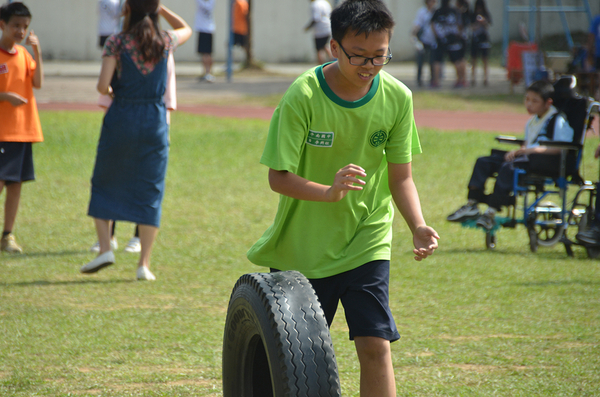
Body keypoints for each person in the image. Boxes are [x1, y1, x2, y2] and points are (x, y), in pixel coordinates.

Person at [247, 1, 439, 395]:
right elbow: (278, 177)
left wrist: (417, 225)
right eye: (358, 56)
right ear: (334, 47)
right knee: (292, 354)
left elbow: (401, 177)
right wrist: (328, 192)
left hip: (366, 239)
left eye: (379, 57)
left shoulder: (398, 98)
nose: (369, 66)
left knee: (375, 345)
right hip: (304, 248)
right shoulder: (303, 95)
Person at [80, 0, 192, 280]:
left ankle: (105, 247)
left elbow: (102, 85)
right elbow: (185, 28)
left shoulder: (116, 42)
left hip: (122, 116)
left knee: (105, 179)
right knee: (150, 188)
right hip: (154, 119)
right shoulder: (165, 41)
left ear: (127, 9)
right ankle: (144, 264)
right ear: (154, 10)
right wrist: (159, 8)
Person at [447, 80, 575, 231]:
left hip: (547, 162)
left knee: (509, 168)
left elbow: (561, 148)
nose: (529, 104)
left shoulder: (557, 120)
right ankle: (472, 203)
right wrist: (519, 151)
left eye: (534, 101)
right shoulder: (532, 121)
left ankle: (490, 212)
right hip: (529, 158)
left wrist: (529, 150)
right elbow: (528, 143)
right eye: (527, 99)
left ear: (548, 103)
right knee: (484, 161)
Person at [91, 47, 179, 255]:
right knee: (131, 180)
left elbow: (103, 86)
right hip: (136, 119)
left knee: (126, 180)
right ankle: (114, 239)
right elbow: (185, 30)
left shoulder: (160, 45)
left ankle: (131, 238)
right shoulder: (123, 43)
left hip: (143, 119)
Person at [0, 2, 43, 254]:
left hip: (22, 131)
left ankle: (7, 235)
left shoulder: (25, 55)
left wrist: (37, 50)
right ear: (2, 24)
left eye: (25, 27)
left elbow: (37, 82)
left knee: (16, 185)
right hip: (3, 132)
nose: (21, 31)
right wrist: (5, 96)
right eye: (16, 25)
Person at [430, 0, 467, 88]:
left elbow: (432, 24)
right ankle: (460, 80)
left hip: (441, 39)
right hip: (453, 39)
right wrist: (458, 35)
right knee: (457, 59)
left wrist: (437, 36)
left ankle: (436, 81)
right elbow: (460, 25)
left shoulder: (437, 11)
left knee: (437, 60)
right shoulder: (454, 11)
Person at [411, 0, 437, 87]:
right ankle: (419, 80)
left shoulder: (436, 12)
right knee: (420, 60)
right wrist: (414, 34)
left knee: (433, 61)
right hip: (423, 40)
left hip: (434, 40)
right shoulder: (422, 12)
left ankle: (433, 79)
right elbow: (417, 23)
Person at [470, 0, 492, 86]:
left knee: (485, 59)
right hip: (475, 39)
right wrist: (476, 25)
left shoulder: (486, 14)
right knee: (473, 59)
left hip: (484, 39)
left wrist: (484, 22)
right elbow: (471, 27)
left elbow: (488, 25)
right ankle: (473, 77)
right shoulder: (473, 15)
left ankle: (485, 78)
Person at [304, 0, 332, 65]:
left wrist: (308, 27)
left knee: (319, 48)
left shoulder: (315, 4)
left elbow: (316, 18)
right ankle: (332, 61)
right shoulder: (325, 2)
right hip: (328, 27)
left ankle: (320, 65)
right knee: (325, 45)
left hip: (320, 29)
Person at [195, 0, 215, 82]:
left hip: (204, 29)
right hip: (209, 29)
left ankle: (207, 73)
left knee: (206, 53)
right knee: (207, 53)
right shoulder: (211, 2)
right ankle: (207, 72)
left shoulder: (203, 3)